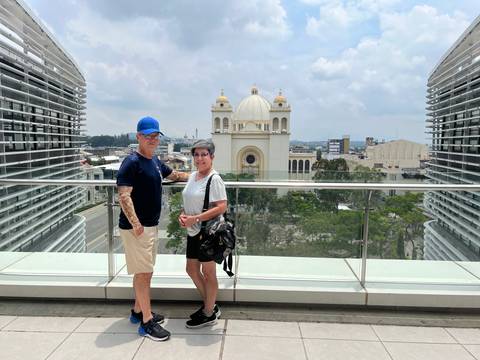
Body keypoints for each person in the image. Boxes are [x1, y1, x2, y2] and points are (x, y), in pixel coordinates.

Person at [117, 116, 189, 341]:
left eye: (155, 136)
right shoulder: (131, 162)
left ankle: (138, 312)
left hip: (150, 225)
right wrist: (136, 224)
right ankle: (146, 323)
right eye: (147, 136)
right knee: (144, 274)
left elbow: (174, 175)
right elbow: (123, 195)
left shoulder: (155, 161)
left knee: (144, 271)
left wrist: (199, 176)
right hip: (137, 228)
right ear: (138, 137)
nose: (152, 140)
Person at [179, 139, 227, 328]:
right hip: (193, 230)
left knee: (208, 273)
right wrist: (183, 216)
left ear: (212, 156)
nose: (200, 158)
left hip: (207, 232)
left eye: (204, 154)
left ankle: (208, 312)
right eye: (196, 155)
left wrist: (196, 218)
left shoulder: (214, 179)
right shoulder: (193, 176)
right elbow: (190, 201)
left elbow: (222, 206)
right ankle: (211, 305)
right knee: (191, 270)